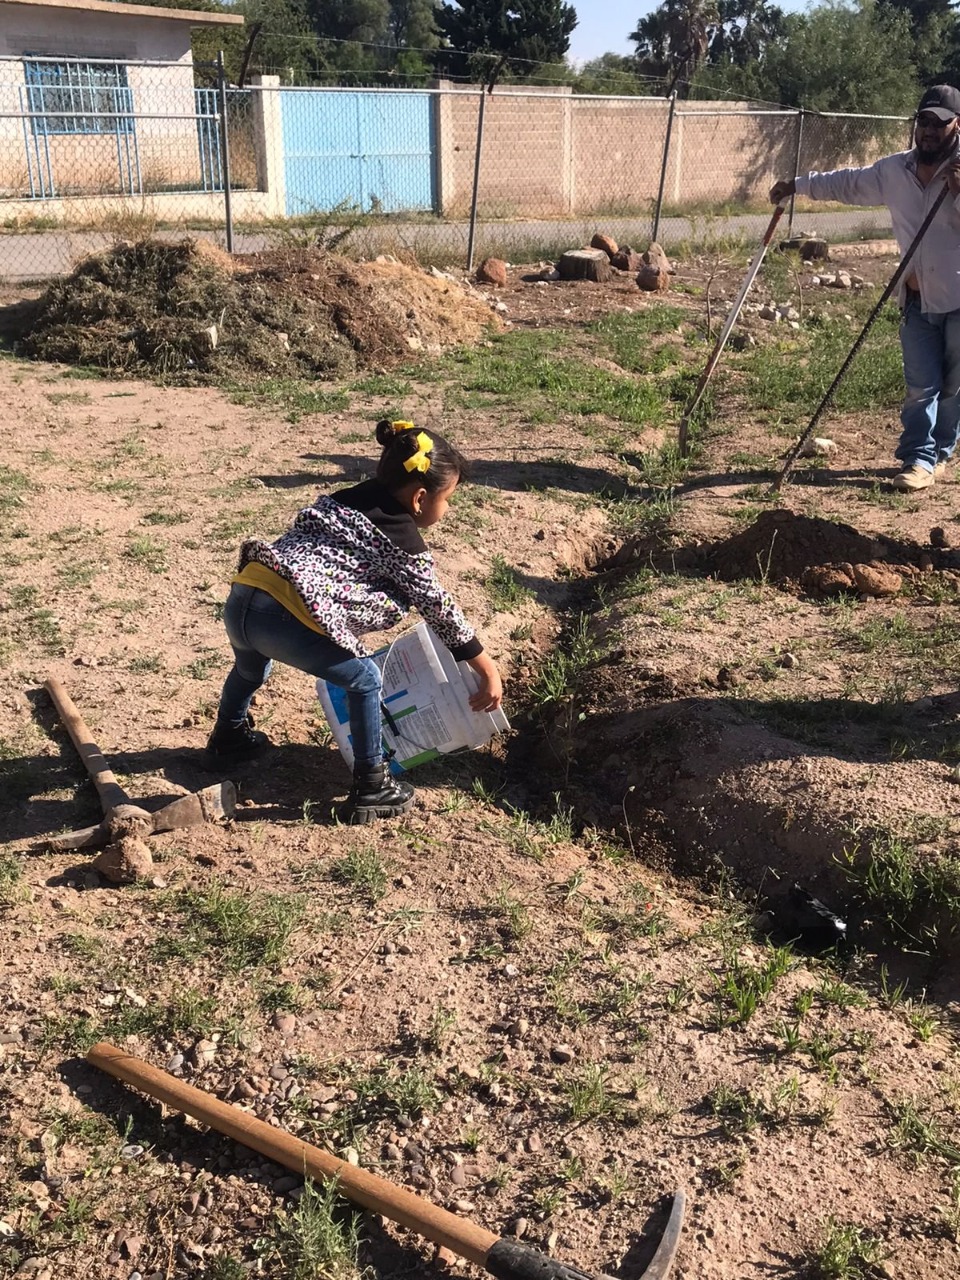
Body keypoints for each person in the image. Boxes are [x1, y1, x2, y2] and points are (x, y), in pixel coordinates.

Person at [206, 419, 503, 824]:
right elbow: (437, 606)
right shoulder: (401, 540)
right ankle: (371, 784)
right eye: (447, 499)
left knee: (249, 668)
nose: (447, 509)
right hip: (282, 617)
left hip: (245, 595)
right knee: (365, 679)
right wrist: (483, 666)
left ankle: (228, 736)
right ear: (419, 499)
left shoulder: (344, 499)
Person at [770, 84, 960, 492]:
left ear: (956, 125)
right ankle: (918, 458)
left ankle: (942, 451)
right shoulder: (895, 171)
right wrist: (797, 185)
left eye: (939, 124)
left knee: (952, 385)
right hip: (915, 297)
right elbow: (847, 183)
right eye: (923, 122)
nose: (929, 131)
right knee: (920, 385)